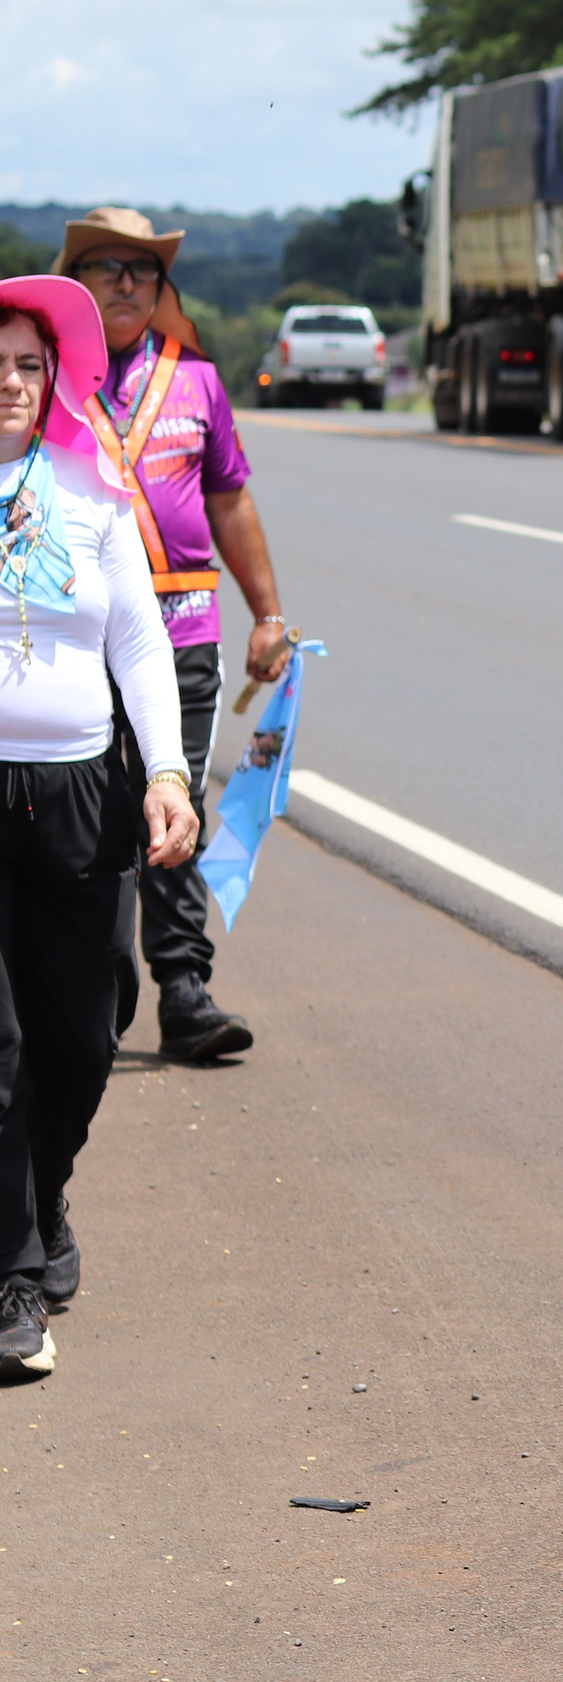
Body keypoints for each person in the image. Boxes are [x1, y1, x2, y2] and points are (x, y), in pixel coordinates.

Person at [0, 275, 198, 1373]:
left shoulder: (93, 489)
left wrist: (166, 770)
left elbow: (138, 640)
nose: (10, 383)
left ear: (53, 378)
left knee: (79, 1039)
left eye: (28, 365)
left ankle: (44, 1193)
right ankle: (12, 1279)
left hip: (82, 794)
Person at [58, 208, 286, 1062]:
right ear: (76, 283)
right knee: (88, 815)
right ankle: (85, 985)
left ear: (162, 289)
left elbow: (230, 499)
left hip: (183, 631)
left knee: (174, 801)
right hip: (79, 637)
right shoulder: (45, 378)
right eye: (109, 268)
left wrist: (268, 615)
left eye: (143, 271)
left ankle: (184, 987)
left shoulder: (197, 380)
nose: (127, 284)